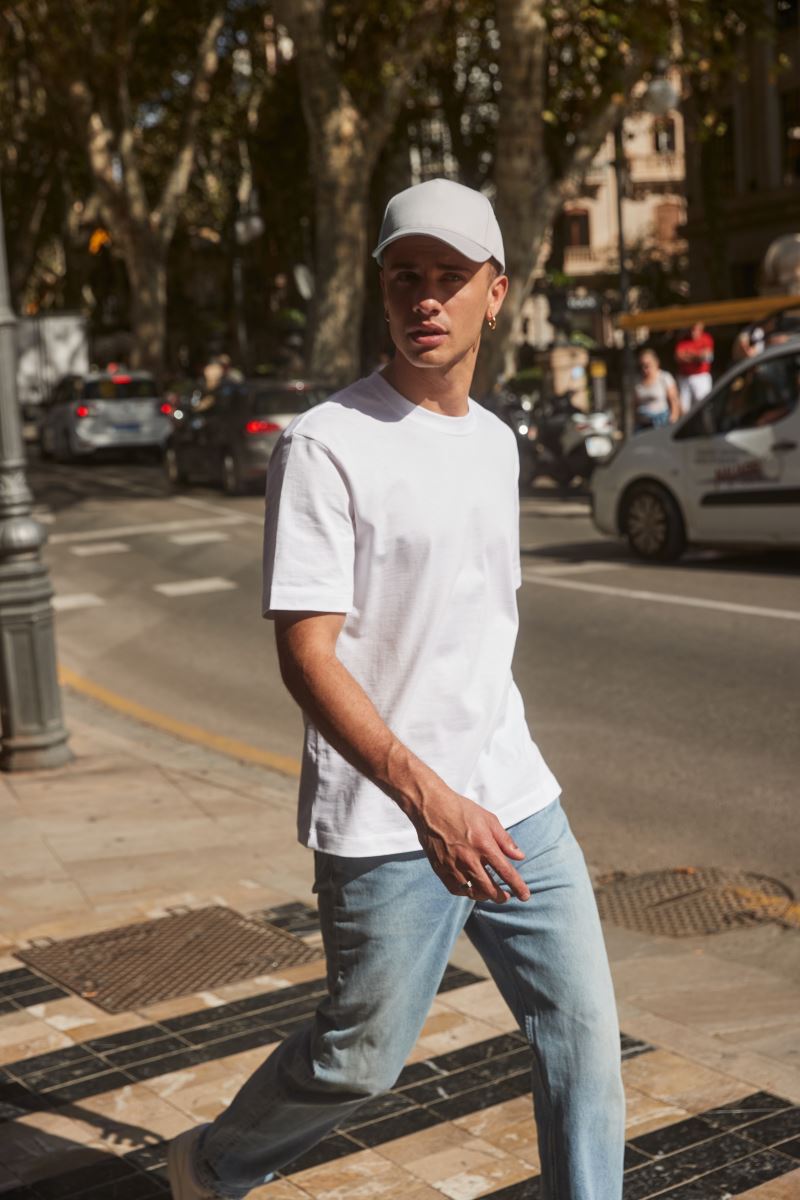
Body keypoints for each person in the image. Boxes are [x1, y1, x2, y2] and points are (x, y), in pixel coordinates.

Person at [167, 178, 625, 1200]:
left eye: (450, 276)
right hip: (388, 819)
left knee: (584, 1033)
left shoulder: (497, 443)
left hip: (514, 799)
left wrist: (479, 785)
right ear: (381, 290)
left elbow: (477, 629)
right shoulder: (326, 443)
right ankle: (214, 1163)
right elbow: (307, 654)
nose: (426, 297)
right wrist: (427, 799)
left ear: (495, 293)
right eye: (404, 276)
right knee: (359, 1060)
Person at [634, 348, 681, 430]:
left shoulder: (664, 377)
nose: (644, 369)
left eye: (647, 365)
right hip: (643, 422)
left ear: (656, 363)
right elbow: (635, 404)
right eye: (641, 366)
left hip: (661, 421)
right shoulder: (637, 381)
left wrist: (673, 418)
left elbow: (674, 399)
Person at [675, 322, 714, 413]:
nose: (693, 332)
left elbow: (706, 356)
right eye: (691, 329)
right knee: (684, 408)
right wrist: (697, 355)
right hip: (685, 377)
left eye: (695, 329)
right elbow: (678, 357)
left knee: (703, 406)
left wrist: (689, 355)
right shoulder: (683, 340)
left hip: (701, 376)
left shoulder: (706, 338)